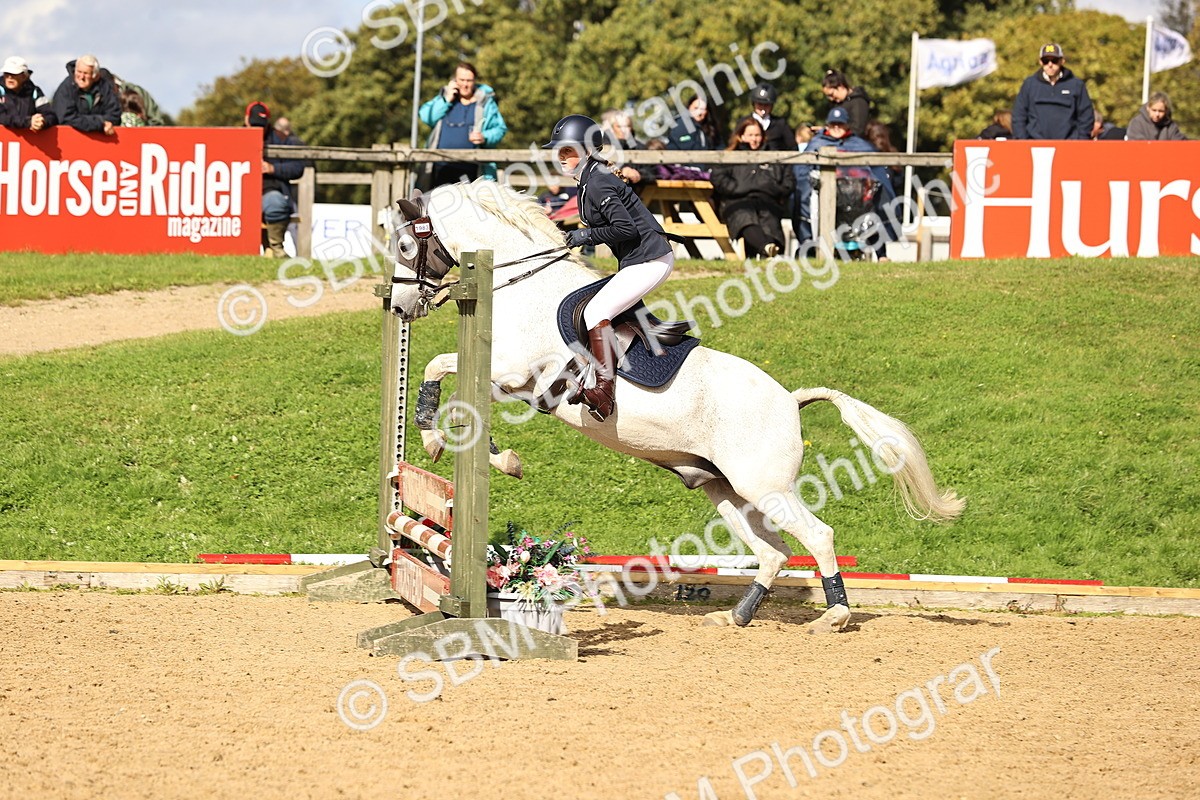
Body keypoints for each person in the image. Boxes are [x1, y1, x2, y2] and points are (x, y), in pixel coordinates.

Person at [544, 114, 676, 422]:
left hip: (651, 259)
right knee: (599, 308)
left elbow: (625, 229)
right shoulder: (589, 178)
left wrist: (584, 235)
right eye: (559, 151)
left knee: (595, 312)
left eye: (569, 150)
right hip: (640, 259)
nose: (562, 157)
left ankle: (603, 392)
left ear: (587, 150)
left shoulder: (598, 180)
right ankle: (597, 372)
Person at [794, 106, 897, 260]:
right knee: (804, 201)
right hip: (824, 196)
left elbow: (877, 169)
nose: (837, 128)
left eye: (840, 124)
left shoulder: (859, 144)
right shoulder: (818, 142)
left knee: (876, 205)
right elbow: (801, 170)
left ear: (847, 125)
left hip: (857, 198)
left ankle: (881, 254)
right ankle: (809, 247)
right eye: (833, 124)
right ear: (828, 125)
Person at [710, 118, 795, 259]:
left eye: (757, 135)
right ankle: (767, 248)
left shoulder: (774, 156)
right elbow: (718, 178)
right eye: (750, 135)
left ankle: (770, 252)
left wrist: (772, 188)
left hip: (767, 202)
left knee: (770, 219)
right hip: (736, 202)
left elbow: (788, 181)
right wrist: (738, 188)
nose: (754, 139)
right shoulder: (728, 156)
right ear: (741, 136)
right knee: (744, 217)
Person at [418, 61, 507, 188]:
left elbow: (500, 129)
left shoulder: (486, 103)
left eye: (469, 80)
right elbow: (426, 116)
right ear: (454, 80)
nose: (465, 84)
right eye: (462, 80)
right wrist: (446, 99)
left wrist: (484, 137)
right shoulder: (445, 98)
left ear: (475, 81)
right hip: (440, 168)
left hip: (473, 170)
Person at [246, 101, 306, 258]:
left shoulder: (283, 139)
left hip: (270, 192)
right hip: (240, 195)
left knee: (276, 203)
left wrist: (273, 169)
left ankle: (276, 248)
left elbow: (298, 167)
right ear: (246, 120)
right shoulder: (235, 137)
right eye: (254, 125)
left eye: (261, 125)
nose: (258, 129)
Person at [1011, 43, 1094, 140]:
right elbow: (1019, 115)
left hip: (1069, 146)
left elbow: (1086, 116)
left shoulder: (1076, 85)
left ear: (1062, 61)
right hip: (1035, 146)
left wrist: (1080, 141)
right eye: (1045, 61)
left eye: (1054, 60)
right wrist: (1023, 141)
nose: (1050, 65)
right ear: (1040, 62)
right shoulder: (1030, 84)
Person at [51, 55, 121, 135]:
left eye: (86, 73)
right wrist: (99, 123)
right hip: (70, 139)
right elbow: (66, 118)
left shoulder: (104, 87)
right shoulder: (66, 88)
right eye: (79, 72)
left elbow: (114, 115)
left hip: (101, 142)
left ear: (96, 76)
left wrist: (106, 123)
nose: (81, 77)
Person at [599, 108, 654, 186]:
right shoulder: (602, 146)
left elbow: (652, 172)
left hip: (636, 193)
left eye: (627, 126)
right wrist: (622, 170)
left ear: (631, 127)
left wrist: (639, 175)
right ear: (612, 128)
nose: (623, 130)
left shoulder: (640, 147)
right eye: (619, 127)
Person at [0, 56, 56, 131]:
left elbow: (50, 115)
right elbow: (2, 117)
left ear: (24, 76)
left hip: (29, 142)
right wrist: (28, 122)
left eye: (14, 74)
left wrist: (41, 122)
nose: (9, 77)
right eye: (7, 73)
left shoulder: (35, 91)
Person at [735, 82, 794, 151]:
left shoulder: (781, 124)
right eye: (760, 104)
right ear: (754, 104)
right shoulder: (743, 122)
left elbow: (792, 146)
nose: (763, 108)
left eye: (767, 105)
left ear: (772, 105)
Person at [821, 70, 871, 138]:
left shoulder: (858, 102)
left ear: (841, 86)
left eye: (831, 94)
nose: (831, 99)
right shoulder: (837, 103)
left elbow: (858, 129)